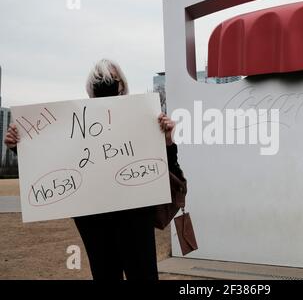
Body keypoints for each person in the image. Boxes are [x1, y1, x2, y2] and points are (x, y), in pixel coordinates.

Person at [4, 59, 185, 280]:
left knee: (143, 273)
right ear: (90, 91)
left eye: (111, 81)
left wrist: (166, 141)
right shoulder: (73, 123)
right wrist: (18, 147)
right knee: (105, 273)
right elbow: (48, 162)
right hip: (93, 216)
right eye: (100, 81)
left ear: (123, 87)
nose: (106, 85)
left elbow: (166, 169)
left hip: (134, 214)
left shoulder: (142, 118)